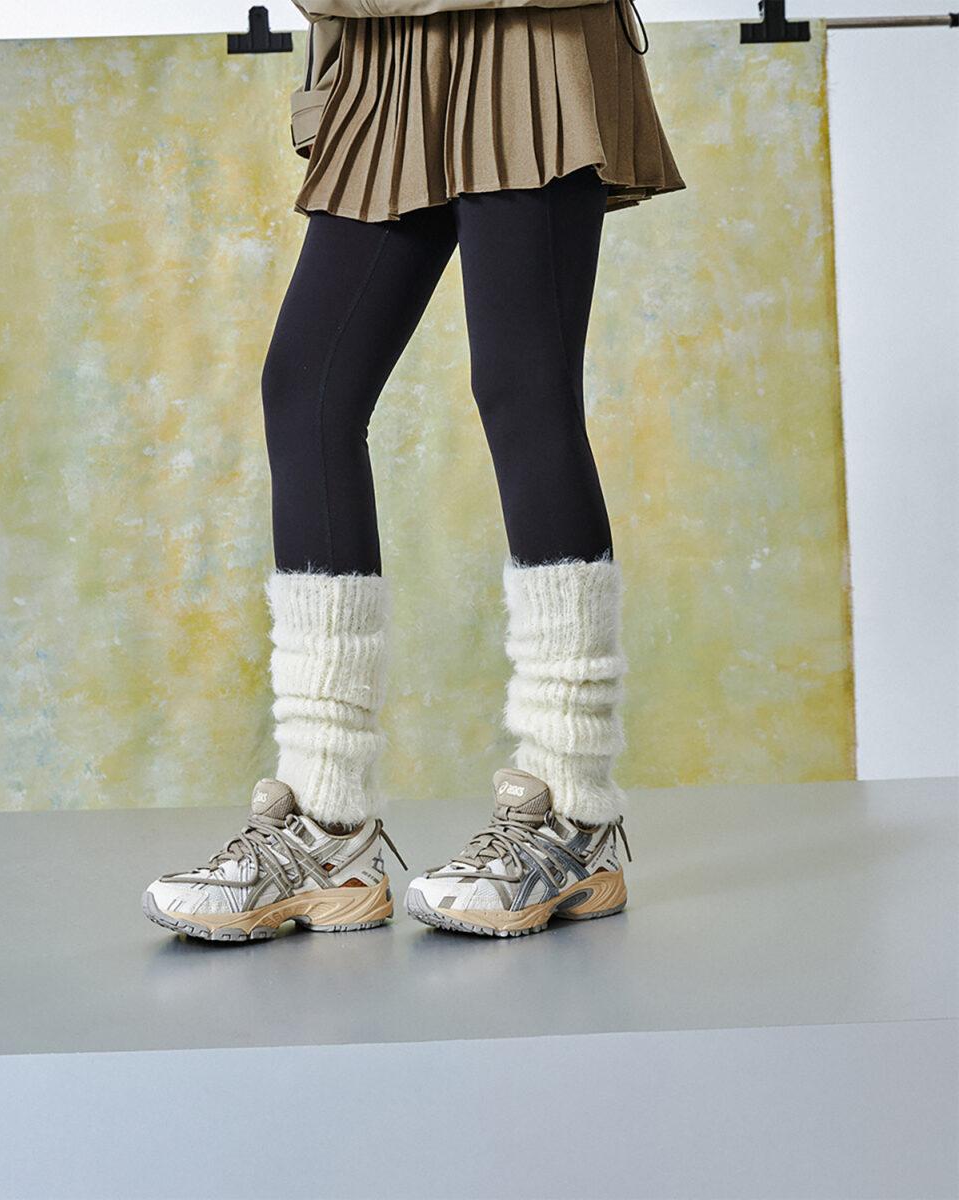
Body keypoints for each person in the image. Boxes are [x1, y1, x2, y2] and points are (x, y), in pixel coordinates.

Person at [142, 0, 682, 941]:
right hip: (390, 52)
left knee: (523, 390)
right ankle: (328, 827)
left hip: (524, 37)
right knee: (306, 393)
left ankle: (573, 815)